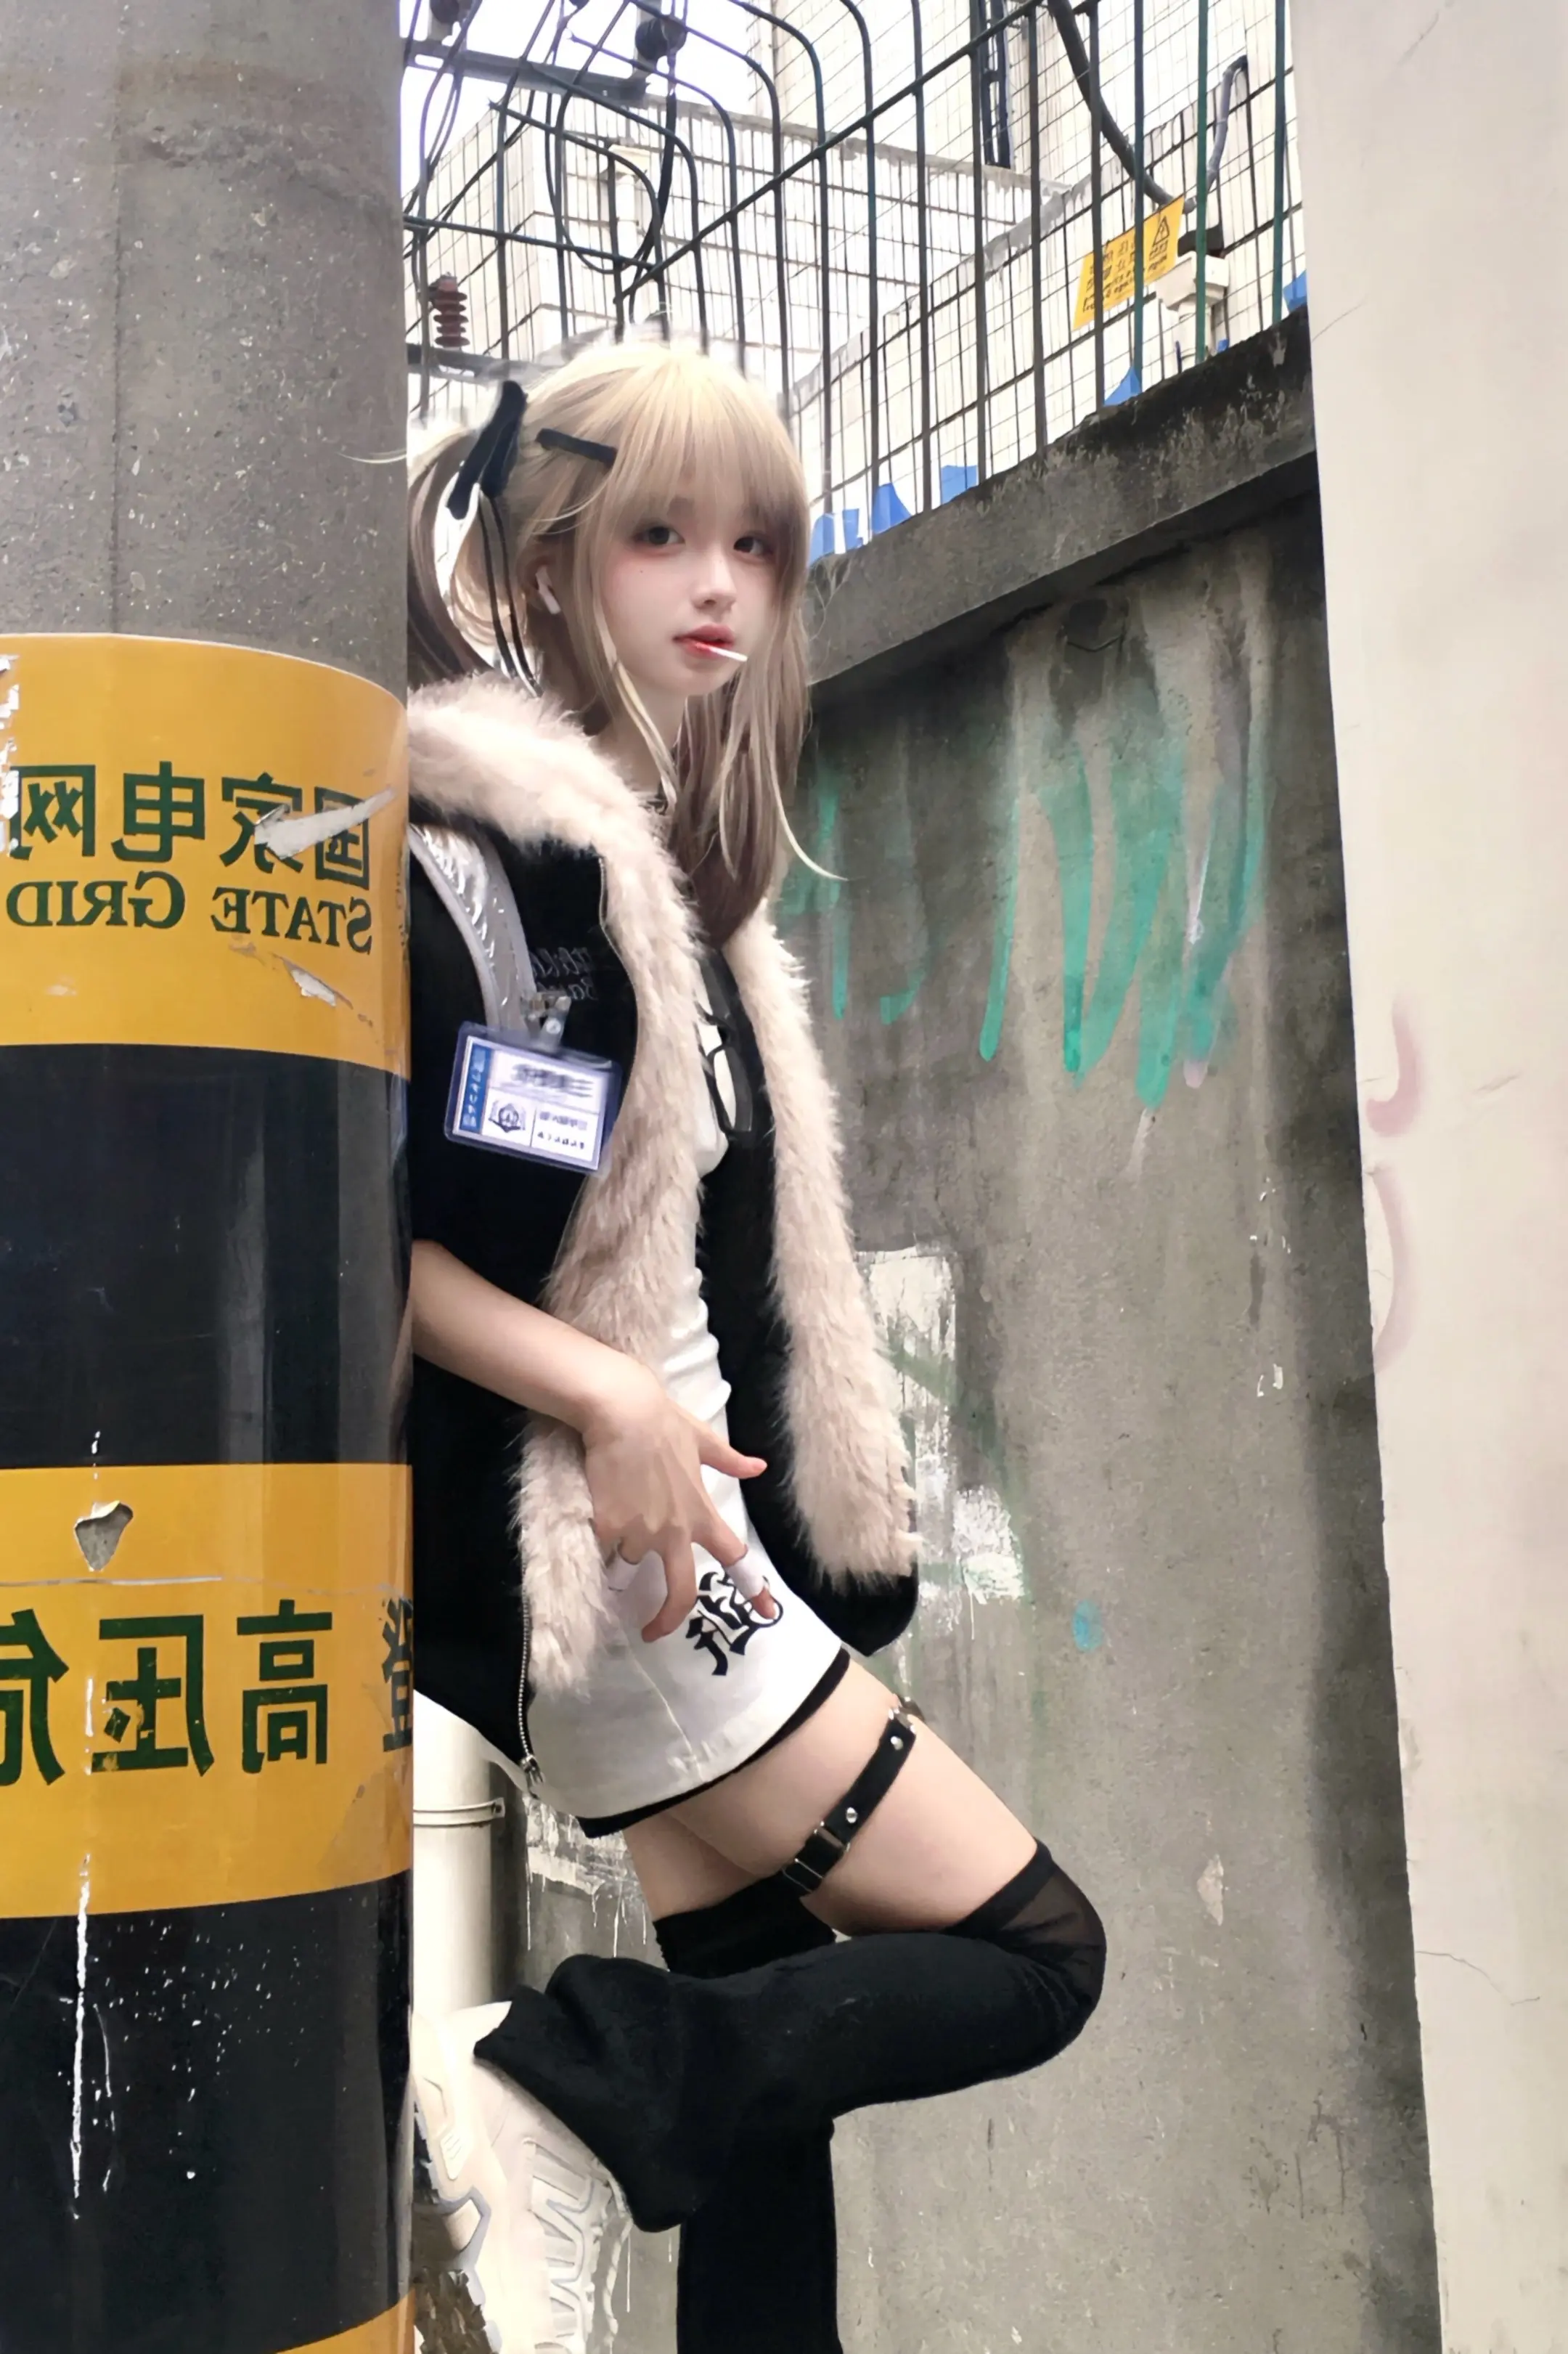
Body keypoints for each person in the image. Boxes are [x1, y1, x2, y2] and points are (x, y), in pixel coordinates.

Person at [404, 341, 1106, 2354]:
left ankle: (630, 2084)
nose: (720, 586)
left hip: (685, 1531)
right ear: (544, 561)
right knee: (1038, 1948)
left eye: (757, 546)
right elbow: (383, 1240)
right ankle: (561, 2077)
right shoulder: (501, 867)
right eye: (659, 536)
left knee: (768, 2107)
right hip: (631, 1547)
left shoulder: (676, 896)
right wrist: (606, 1392)